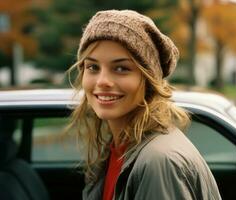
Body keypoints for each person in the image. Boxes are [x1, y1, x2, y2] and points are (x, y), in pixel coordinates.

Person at [67, 9, 221, 200]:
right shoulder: (118, 148)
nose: (102, 81)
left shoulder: (159, 162)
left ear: (149, 80)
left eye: (121, 68)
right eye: (93, 67)